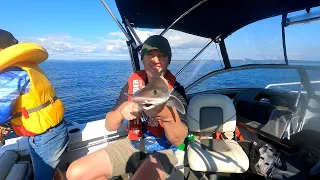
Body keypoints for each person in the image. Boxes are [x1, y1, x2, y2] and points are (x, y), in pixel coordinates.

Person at [66, 35, 188, 180]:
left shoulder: (176, 91)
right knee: (75, 173)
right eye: (150, 54)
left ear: (168, 61)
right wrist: (121, 110)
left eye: (161, 56)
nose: (156, 60)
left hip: (164, 150)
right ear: (142, 59)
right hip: (133, 144)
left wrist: (166, 115)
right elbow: (109, 125)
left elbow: (178, 140)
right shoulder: (133, 85)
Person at [0, 29, 69, 180]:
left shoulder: (11, 72)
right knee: (49, 172)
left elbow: (2, 111)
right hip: (53, 131)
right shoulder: (27, 66)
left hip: (45, 137)